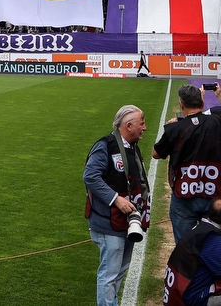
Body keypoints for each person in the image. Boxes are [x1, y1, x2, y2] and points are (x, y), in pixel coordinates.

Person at [83, 105, 150, 306]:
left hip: (126, 222)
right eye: (142, 123)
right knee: (109, 273)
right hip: (108, 222)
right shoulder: (106, 146)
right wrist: (116, 199)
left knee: (119, 270)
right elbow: (90, 176)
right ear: (128, 126)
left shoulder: (132, 146)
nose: (144, 128)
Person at [153, 84, 221, 243]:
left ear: (181, 104)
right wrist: (218, 95)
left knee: (185, 247)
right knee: (215, 244)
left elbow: (156, 153)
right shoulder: (218, 122)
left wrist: (173, 126)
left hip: (184, 193)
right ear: (201, 103)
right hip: (213, 191)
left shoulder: (175, 127)